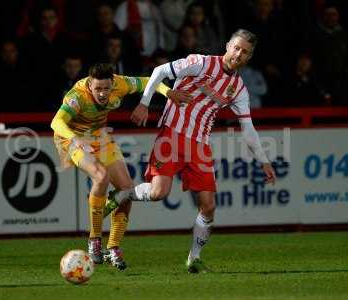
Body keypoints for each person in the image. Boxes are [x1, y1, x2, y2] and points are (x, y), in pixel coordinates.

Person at [106, 29, 276, 273]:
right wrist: (144, 103)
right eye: (236, 48)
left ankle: (194, 258)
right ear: (227, 45)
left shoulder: (238, 89)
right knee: (158, 193)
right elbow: (160, 71)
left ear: (249, 57)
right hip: (172, 135)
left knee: (208, 206)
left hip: (200, 144)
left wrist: (264, 160)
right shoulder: (201, 62)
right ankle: (121, 195)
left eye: (245, 52)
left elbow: (247, 128)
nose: (238, 54)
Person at [50, 63, 188, 270]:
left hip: (99, 136)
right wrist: (75, 139)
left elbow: (149, 81)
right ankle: (94, 240)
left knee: (126, 190)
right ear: (89, 84)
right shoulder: (76, 96)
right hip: (72, 138)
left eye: (106, 88)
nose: (103, 94)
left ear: (112, 83)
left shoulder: (120, 84)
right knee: (100, 176)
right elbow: (56, 122)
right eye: (98, 89)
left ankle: (113, 246)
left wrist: (168, 92)